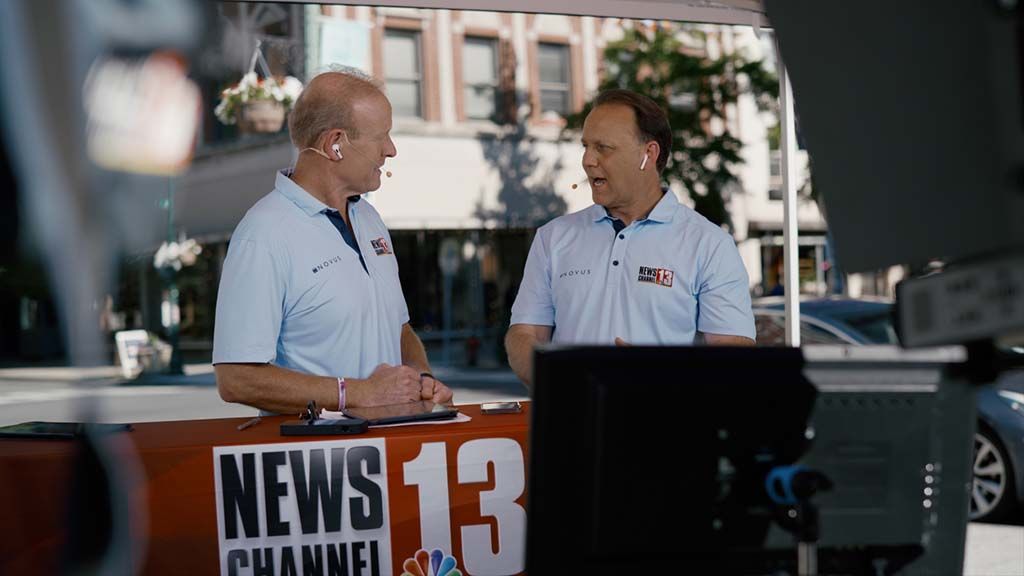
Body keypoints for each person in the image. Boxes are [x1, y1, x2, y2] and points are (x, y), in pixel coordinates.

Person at [213, 69, 452, 414]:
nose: (391, 150)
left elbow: (398, 328)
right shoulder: (263, 234)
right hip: (318, 460)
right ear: (334, 144)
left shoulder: (369, 219)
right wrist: (356, 393)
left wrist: (421, 377)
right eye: (382, 136)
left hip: (393, 449)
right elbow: (236, 379)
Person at [506, 89, 755, 386]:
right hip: (569, 426)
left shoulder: (709, 244)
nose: (587, 160)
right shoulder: (553, 238)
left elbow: (734, 357)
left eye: (603, 148)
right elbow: (524, 334)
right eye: (585, 146)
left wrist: (654, 375)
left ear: (648, 155)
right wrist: (562, 376)